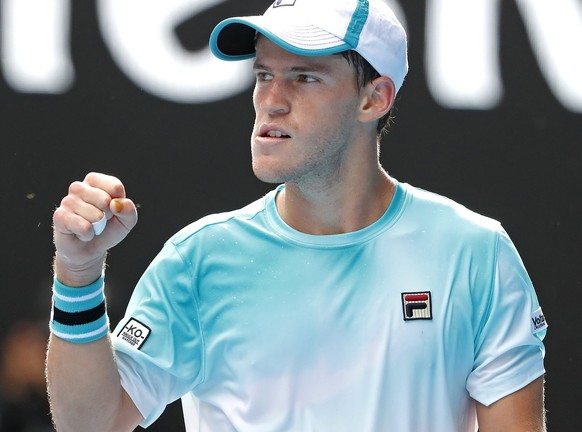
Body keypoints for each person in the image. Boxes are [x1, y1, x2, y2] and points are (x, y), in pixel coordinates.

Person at [45, 0, 548, 431]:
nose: (271, 101)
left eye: (303, 77)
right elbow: (94, 423)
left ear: (375, 97)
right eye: (264, 74)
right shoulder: (196, 259)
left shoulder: (476, 252)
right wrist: (79, 275)